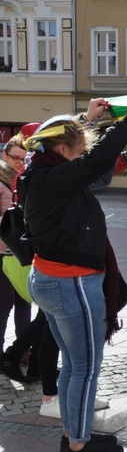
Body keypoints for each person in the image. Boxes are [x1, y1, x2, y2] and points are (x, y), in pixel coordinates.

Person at [19, 98, 127, 452]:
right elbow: (95, 162)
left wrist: (86, 119)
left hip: (53, 278)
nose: (82, 159)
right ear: (62, 152)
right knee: (84, 367)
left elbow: (65, 145)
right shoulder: (52, 177)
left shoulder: (38, 169)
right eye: (78, 151)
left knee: (74, 366)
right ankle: (78, 445)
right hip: (70, 282)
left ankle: (77, 433)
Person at [0, 134, 32, 349]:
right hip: (3, 250)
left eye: (23, 159)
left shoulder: (25, 179)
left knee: (24, 301)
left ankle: (23, 349)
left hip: (22, 249)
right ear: (4, 156)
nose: (20, 163)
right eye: (15, 158)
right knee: (4, 303)